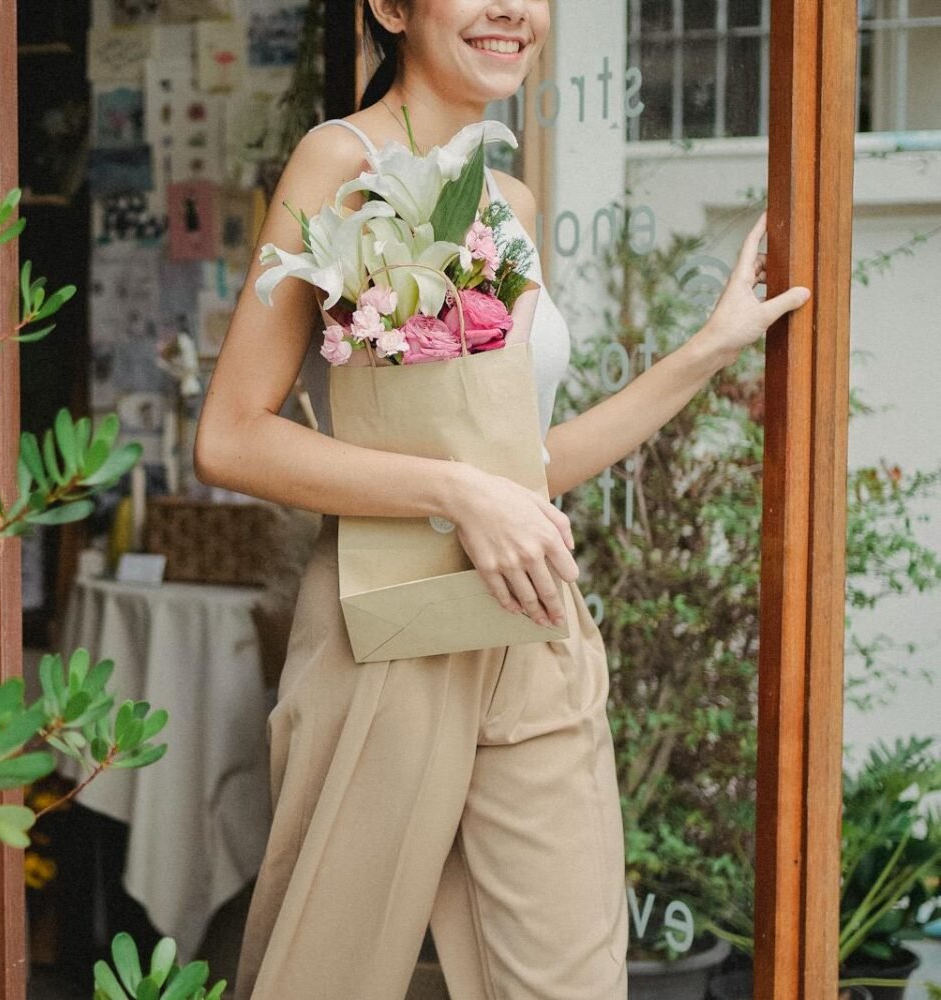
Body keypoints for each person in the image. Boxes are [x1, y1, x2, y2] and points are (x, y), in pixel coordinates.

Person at [191, 2, 811, 998]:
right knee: (326, 974)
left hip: (528, 623)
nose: (515, 9)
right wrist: (454, 493)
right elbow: (231, 434)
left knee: (569, 981)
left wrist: (709, 348)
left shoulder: (513, 201)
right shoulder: (337, 161)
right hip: (382, 630)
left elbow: (521, 463)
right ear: (392, 7)